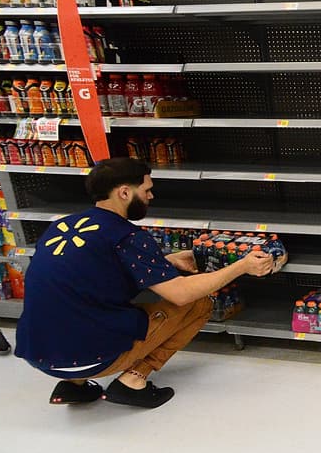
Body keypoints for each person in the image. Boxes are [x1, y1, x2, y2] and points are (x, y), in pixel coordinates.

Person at [14, 157, 273, 408]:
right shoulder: (127, 235)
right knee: (199, 303)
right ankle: (132, 380)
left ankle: (74, 385)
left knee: (77, 312)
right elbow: (181, 294)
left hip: (39, 354)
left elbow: (93, 272)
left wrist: (166, 261)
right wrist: (242, 266)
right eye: (147, 190)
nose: (151, 196)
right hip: (91, 356)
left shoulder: (62, 226)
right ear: (124, 193)